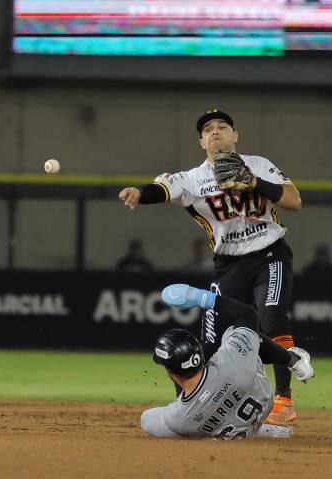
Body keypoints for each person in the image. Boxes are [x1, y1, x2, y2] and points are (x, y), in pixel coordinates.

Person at [119, 109, 304, 424]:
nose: (215, 131)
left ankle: (283, 402)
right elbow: (162, 189)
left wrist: (253, 181)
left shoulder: (258, 164)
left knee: (272, 316)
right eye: (208, 129)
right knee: (211, 339)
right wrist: (139, 192)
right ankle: (188, 401)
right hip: (228, 264)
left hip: (269, 252)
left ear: (236, 135)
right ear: (201, 141)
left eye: (223, 126)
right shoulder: (193, 179)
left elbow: (294, 201)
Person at [140, 284, 314, 439]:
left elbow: (147, 420)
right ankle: (293, 360)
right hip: (261, 401)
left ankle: (233, 432)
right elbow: (247, 314)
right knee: (233, 332)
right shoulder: (230, 361)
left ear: (170, 373)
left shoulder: (178, 418)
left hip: (210, 421)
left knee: (183, 426)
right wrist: (200, 297)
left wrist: (196, 412)